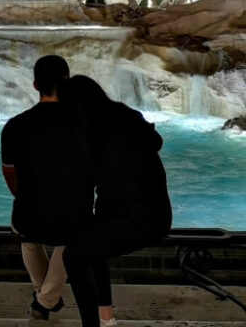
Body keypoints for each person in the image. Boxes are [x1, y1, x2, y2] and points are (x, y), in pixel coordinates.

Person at [59, 75, 172, 327]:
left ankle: (94, 323)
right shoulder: (125, 116)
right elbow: (155, 144)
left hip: (137, 220)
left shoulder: (93, 135)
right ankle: (105, 315)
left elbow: (85, 185)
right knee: (90, 238)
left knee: (74, 256)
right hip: (157, 213)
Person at [0, 55, 93, 320]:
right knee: (73, 238)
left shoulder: (15, 126)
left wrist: (26, 196)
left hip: (29, 214)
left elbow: (10, 174)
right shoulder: (86, 123)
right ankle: (45, 299)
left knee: (27, 238)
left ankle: (44, 296)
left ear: (34, 85)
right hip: (75, 215)